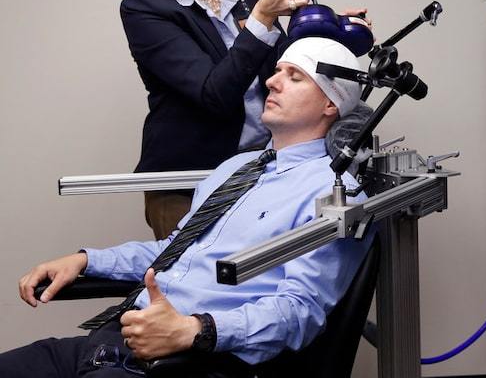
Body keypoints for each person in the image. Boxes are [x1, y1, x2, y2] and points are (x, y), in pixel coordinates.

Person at [3, 37, 374, 378]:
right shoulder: (235, 169)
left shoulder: (335, 194)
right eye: (277, 71)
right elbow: (175, 252)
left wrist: (195, 329)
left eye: (294, 77)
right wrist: (86, 260)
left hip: (194, 360)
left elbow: (299, 312)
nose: (272, 82)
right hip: (117, 341)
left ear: (331, 102)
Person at [121, 0, 371, 239]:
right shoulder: (145, 9)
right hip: (189, 182)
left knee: (259, 283)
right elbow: (214, 95)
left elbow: (283, 70)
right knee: (194, 285)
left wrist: (334, 34)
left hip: (263, 168)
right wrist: (261, 19)